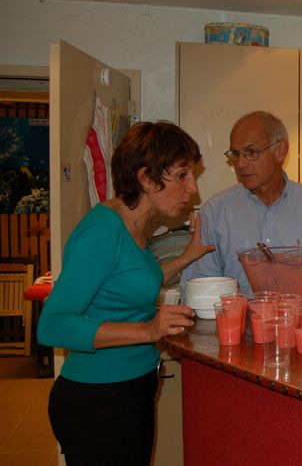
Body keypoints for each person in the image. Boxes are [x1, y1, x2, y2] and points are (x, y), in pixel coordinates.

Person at [38, 121, 215, 465]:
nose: (192, 188)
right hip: (98, 400)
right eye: (182, 175)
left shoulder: (134, 225)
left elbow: (131, 283)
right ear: (147, 178)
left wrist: (187, 257)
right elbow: (53, 325)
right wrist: (147, 330)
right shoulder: (102, 231)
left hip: (133, 386)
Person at [180, 111, 302, 298]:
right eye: (236, 154)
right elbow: (199, 288)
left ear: (280, 151)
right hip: (238, 325)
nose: (240, 164)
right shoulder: (215, 212)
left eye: (251, 152)